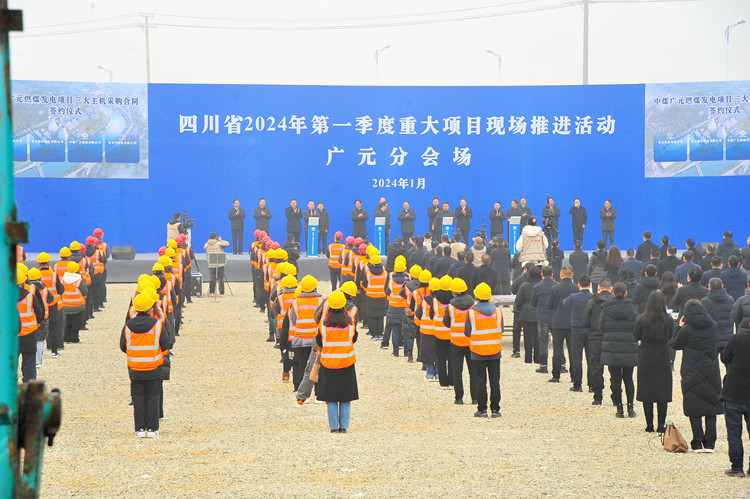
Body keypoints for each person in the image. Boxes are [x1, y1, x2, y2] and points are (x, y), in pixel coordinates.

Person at [670, 299, 723, 452]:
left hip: (691, 369)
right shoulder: (713, 326)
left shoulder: (687, 330)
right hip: (711, 369)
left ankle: (697, 442)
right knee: (712, 404)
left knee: (694, 405)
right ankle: (710, 443)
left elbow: (674, 344)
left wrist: (678, 328)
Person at [120, 292, 171, 438]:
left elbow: (123, 346)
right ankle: (153, 429)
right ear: (150, 309)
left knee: (138, 398)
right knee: (153, 398)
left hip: (135, 369)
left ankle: (140, 429)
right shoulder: (157, 325)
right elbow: (165, 344)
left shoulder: (128, 326)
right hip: (154, 367)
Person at [317, 290, 359, 433]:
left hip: (328, 364)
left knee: (331, 397)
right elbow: (353, 338)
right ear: (343, 307)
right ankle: (344, 426)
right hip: (346, 363)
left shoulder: (323, 325)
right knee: (346, 396)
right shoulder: (350, 324)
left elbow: (319, 341)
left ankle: (334, 427)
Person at [634, 290, 673, 433]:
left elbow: (636, 335)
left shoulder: (641, 319)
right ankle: (661, 424)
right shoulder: (668, 320)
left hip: (646, 356)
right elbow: (671, 335)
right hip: (662, 357)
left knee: (647, 390)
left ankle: (649, 424)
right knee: (662, 391)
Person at [599, 282, 638, 418]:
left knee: (615, 379)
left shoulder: (606, 309)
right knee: (628, 378)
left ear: (612, 293)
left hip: (612, 347)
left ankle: (619, 409)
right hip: (628, 346)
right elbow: (637, 326)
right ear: (626, 293)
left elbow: (601, 327)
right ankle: (630, 408)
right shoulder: (632, 308)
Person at [465, 282, 503, 418]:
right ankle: (495, 410)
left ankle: (482, 410)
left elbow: (467, 332)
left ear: (477, 296)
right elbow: (501, 330)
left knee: (480, 381)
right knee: (495, 381)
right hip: (494, 351)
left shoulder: (471, 313)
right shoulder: (498, 311)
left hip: (478, 352)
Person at [720, 328, 750, 476]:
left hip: (734, 391)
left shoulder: (738, 339)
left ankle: (737, 467)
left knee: (734, 432)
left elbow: (724, 358)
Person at [443, 278, 477, 405]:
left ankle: (459, 398)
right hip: (471, 341)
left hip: (456, 342)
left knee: (457, 371)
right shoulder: (473, 303)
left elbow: (446, 322)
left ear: (454, 292)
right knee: (473, 371)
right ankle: (475, 398)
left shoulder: (451, 306)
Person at [582, 278, 613, 405]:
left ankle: (598, 396)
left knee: (595, 366)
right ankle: (616, 396)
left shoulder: (592, 302)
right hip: (611, 338)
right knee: (614, 368)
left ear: (598, 288)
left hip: (595, 337)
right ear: (611, 289)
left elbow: (585, 321)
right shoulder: (614, 302)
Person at [547, 266, 578, 384]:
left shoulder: (554, 289)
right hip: (572, 323)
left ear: (561, 275)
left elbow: (549, 305)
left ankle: (556, 375)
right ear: (572, 274)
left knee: (557, 350)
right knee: (572, 351)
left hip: (557, 323)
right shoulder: (576, 288)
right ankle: (574, 376)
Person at [563, 274, 593, 393]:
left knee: (576, 358)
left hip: (576, 330)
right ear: (590, 285)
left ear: (578, 285)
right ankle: (591, 385)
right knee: (591, 359)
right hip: (590, 330)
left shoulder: (573, 297)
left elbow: (564, 303)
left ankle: (577, 384)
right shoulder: (593, 297)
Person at [17, 267, 44, 383]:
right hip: (29, 334)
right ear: (23, 282)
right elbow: (40, 314)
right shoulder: (30, 297)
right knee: (29, 365)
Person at [530, 266, 556, 374]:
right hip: (554, 317)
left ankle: (544, 365)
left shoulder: (537, 287)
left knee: (543, 342)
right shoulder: (557, 286)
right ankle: (561, 364)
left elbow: (533, 303)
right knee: (557, 343)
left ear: (542, 274)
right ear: (552, 274)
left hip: (542, 317)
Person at [515, 265, 542, 365]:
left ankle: (528, 358)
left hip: (526, 313)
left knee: (527, 336)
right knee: (537, 336)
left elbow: (518, 301)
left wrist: (521, 309)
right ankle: (538, 358)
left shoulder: (524, 286)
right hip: (538, 313)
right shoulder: (541, 286)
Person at [432, 276, 455, 389]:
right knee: (451, 358)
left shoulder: (435, 301)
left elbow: (432, 315)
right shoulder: (454, 301)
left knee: (440, 358)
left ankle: (443, 383)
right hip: (451, 333)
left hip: (438, 333)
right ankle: (451, 382)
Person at [702, 278, 735, 356]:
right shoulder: (730, 299)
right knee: (729, 364)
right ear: (722, 286)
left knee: (712, 363)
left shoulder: (705, 301)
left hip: (712, 337)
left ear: (709, 287)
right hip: (727, 336)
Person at [384, 259, 409, 356]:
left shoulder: (390, 276)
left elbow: (386, 291)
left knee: (395, 330)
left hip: (393, 306)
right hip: (404, 307)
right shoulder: (408, 277)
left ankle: (395, 352)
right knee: (406, 330)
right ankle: (406, 352)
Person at [361, 254, 387, 341]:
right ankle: (380, 334)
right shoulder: (385, 272)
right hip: (382, 297)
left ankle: (374, 334)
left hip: (371, 297)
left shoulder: (368, 273)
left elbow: (364, 284)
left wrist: (367, 289)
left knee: (372, 316)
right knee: (380, 316)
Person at [61, 261, 88, 343]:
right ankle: (74, 338)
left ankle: (66, 338)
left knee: (67, 322)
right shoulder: (79, 280)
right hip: (78, 306)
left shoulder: (63, 280)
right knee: (76, 323)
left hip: (65, 305)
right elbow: (85, 292)